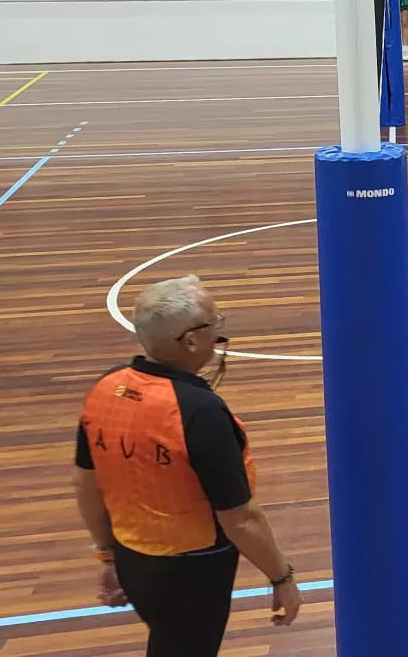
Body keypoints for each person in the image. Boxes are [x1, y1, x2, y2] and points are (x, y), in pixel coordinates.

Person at [74, 275, 303, 655]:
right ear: (191, 340)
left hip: (134, 562)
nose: (220, 330)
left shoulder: (105, 387)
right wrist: (282, 577)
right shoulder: (200, 413)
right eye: (215, 322)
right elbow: (241, 518)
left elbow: (85, 484)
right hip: (193, 573)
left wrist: (108, 555)